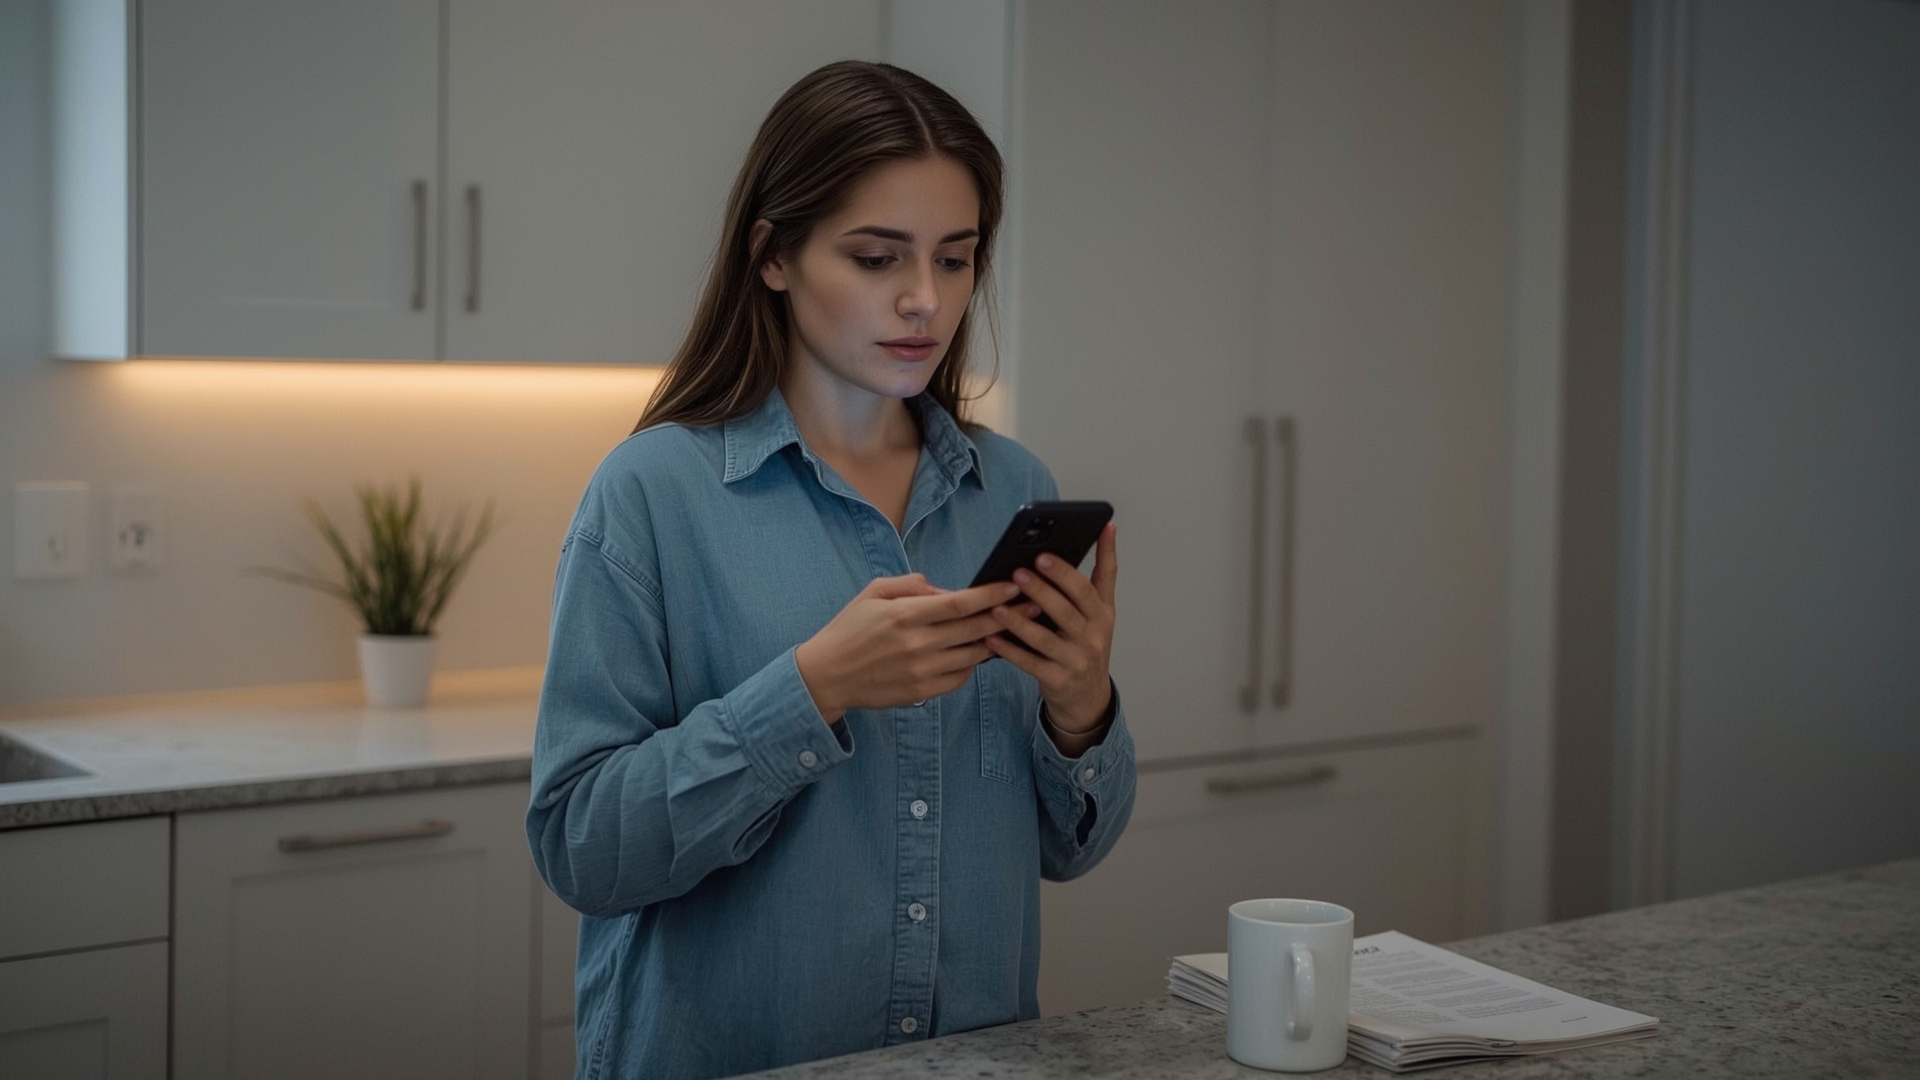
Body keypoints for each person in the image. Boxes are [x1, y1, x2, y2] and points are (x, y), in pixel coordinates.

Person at [526, 60, 1137, 1080]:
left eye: (954, 259)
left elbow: (1071, 851)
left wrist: (1084, 709)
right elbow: (583, 850)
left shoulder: (1012, 488)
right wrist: (813, 692)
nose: (922, 300)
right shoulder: (649, 496)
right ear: (773, 255)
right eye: (875, 256)